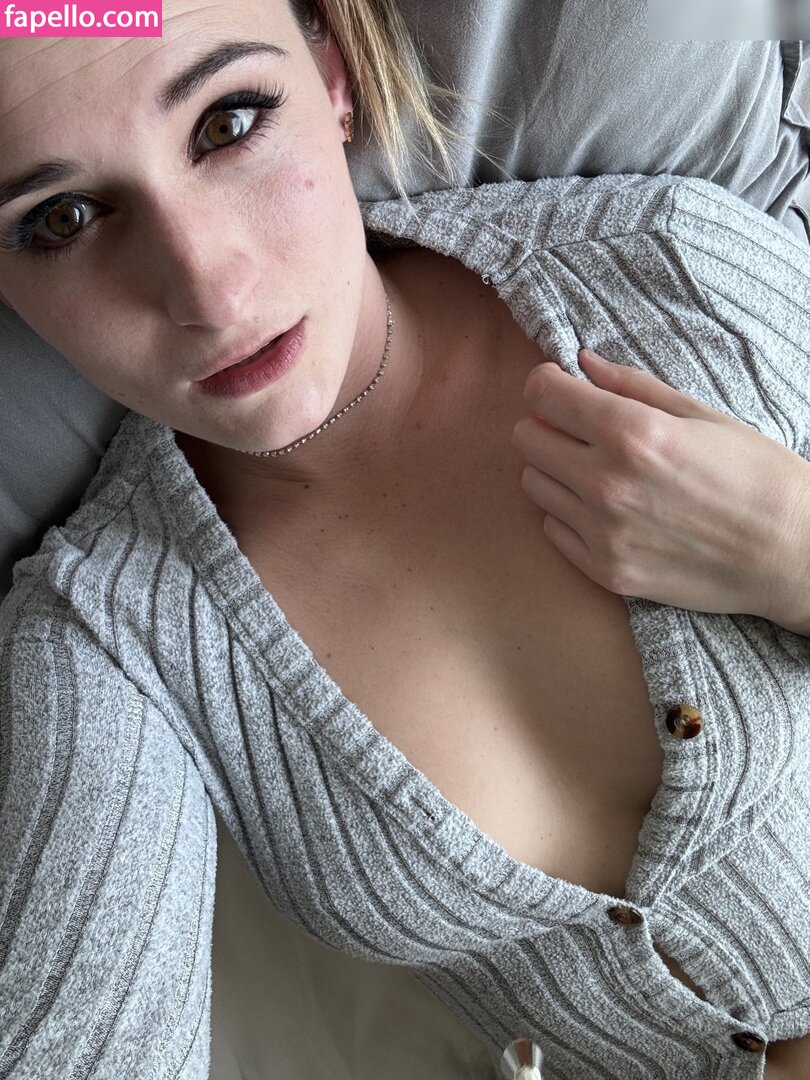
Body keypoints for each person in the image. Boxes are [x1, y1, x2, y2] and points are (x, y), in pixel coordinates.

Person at [0, 1, 808, 1077]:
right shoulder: (106, 635)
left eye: (229, 122)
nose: (210, 291)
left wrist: (796, 545)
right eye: (60, 219)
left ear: (333, 78)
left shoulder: (672, 273)